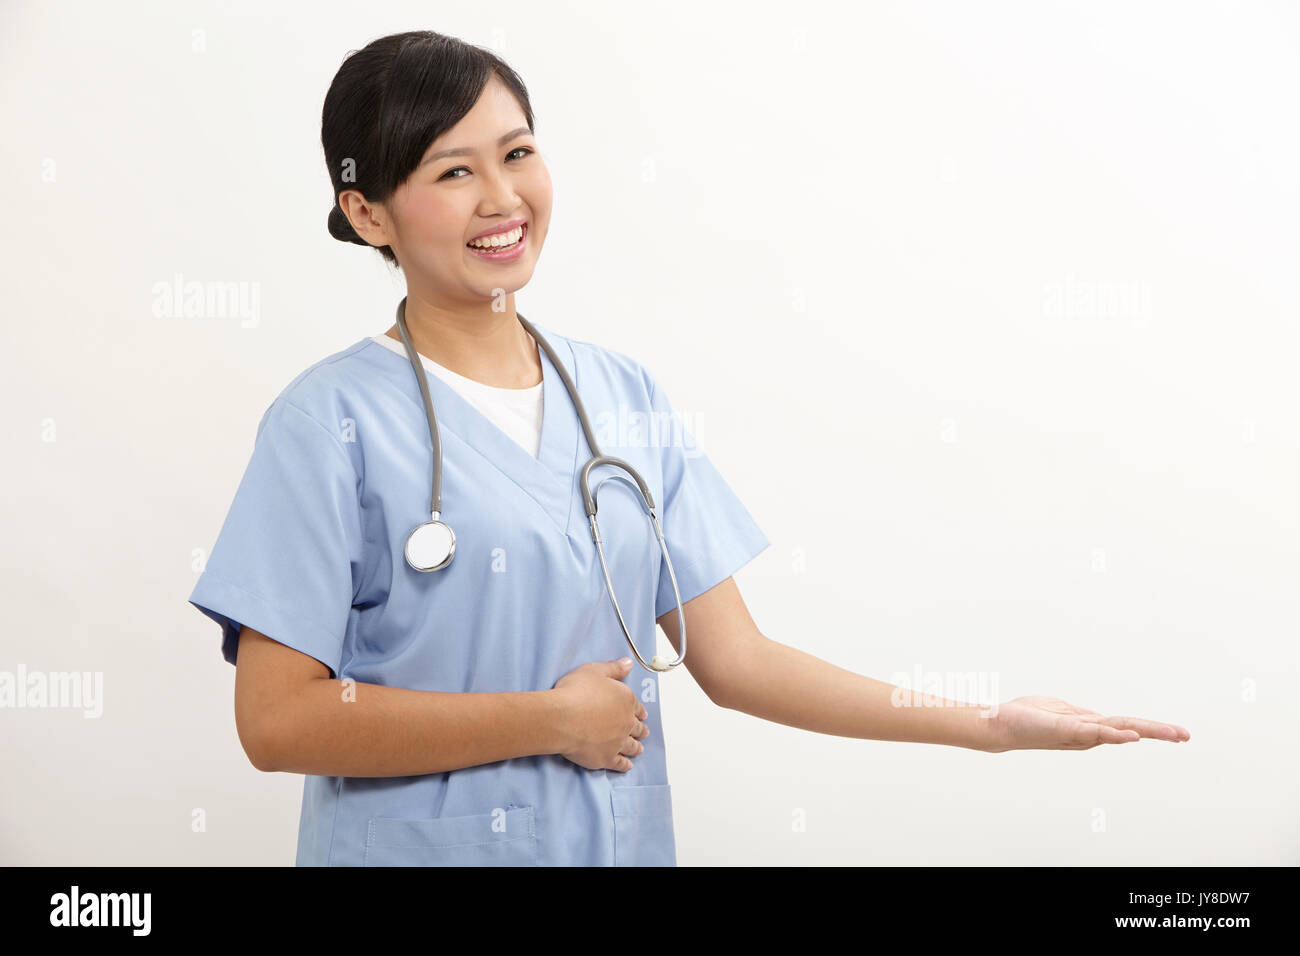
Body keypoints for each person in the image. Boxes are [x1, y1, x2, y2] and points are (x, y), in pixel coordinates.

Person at [188, 30, 1190, 868]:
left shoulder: (621, 397)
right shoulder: (327, 423)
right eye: (454, 170)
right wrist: (545, 719)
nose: (503, 196)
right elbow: (277, 723)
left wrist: (982, 719)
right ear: (369, 212)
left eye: (518, 151)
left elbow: (736, 657)